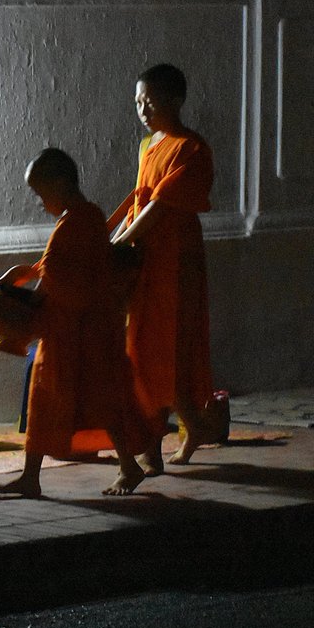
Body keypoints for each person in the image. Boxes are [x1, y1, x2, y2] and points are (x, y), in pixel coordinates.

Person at [0, 149, 148, 498]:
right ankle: (31, 476)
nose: (39, 200)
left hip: (83, 330)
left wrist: (30, 299)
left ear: (60, 183)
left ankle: (129, 465)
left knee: (100, 398)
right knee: (43, 398)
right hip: (64, 329)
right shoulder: (82, 219)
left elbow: (73, 277)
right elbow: (58, 272)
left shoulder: (81, 221)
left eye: (40, 191)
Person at [111, 63, 218, 474]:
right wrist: (119, 237)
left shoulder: (192, 149)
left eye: (150, 101)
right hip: (147, 261)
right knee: (143, 350)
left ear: (175, 101)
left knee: (168, 349)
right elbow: (140, 200)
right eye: (138, 101)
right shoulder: (148, 146)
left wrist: (122, 241)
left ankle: (152, 447)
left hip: (177, 262)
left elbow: (159, 207)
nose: (143, 110)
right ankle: (189, 428)